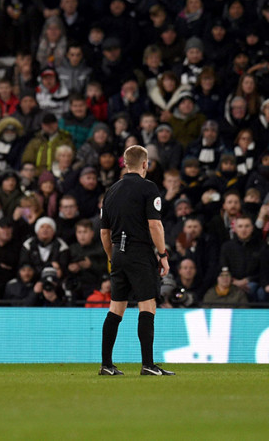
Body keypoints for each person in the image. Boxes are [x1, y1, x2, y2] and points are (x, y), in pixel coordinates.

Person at [98, 144, 174, 376]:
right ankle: (148, 364)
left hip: (118, 253)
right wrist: (162, 255)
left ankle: (106, 365)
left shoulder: (111, 191)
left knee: (116, 308)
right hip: (139, 252)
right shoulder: (148, 188)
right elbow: (155, 225)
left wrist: (112, 257)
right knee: (147, 305)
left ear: (124, 163)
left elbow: (104, 232)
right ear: (144, 164)